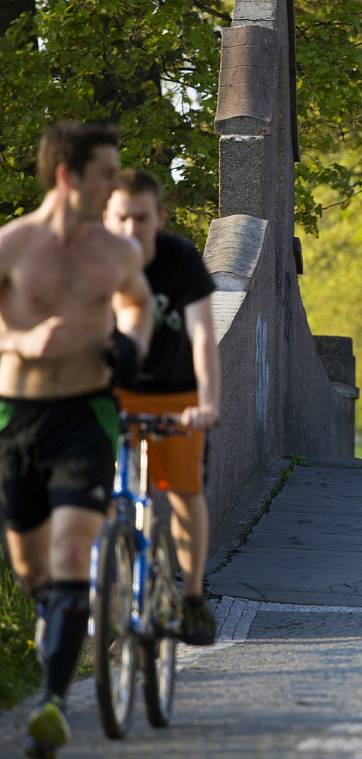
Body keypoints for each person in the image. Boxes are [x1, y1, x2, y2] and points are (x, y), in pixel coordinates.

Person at [0, 121, 153, 756]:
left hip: (86, 416)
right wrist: (20, 342)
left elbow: (138, 303)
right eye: (104, 175)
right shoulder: (12, 245)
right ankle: (53, 626)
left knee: (70, 558)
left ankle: (54, 703)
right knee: (32, 568)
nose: (113, 187)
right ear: (68, 177)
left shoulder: (113, 252)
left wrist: (129, 343)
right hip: (16, 418)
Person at [104, 168, 219, 644]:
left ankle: (191, 597)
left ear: (160, 218)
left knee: (182, 492)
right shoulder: (96, 260)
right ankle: (105, 600)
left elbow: (202, 338)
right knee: (101, 496)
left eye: (142, 218)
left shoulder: (180, 259)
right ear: (107, 218)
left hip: (177, 395)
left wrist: (208, 402)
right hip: (113, 392)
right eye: (122, 218)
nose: (131, 229)